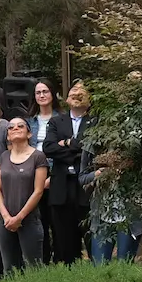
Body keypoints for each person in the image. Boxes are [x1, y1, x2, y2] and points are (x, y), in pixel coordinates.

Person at [42, 82, 96, 263]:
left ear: (89, 99)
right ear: (66, 99)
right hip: (61, 188)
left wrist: (65, 143)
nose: (77, 94)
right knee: (63, 241)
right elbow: (48, 147)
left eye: (82, 91)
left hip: (87, 186)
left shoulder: (96, 122)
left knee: (91, 238)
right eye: (73, 91)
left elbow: (93, 148)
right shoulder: (57, 121)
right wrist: (77, 150)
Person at [0, 118, 48, 272]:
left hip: (28, 219)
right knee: (9, 268)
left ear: (29, 133)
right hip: (4, 220)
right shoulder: (4, 156)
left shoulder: (38, 156)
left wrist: (18, 218)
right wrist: (6, 216)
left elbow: (38, 191)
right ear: (8, 136)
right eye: (11, 127)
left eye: (20, 126)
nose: (15, 128)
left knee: (34, 268)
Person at [25, 80, 59, 261]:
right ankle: (42, 260)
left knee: (57, 222)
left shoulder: (62, 118)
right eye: (38, 92)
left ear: (52, 94)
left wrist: (52, 177)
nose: (42, 95)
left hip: (55, 176)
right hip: (32, 175)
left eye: (45, 91)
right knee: (39, 222)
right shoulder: (29, 122)